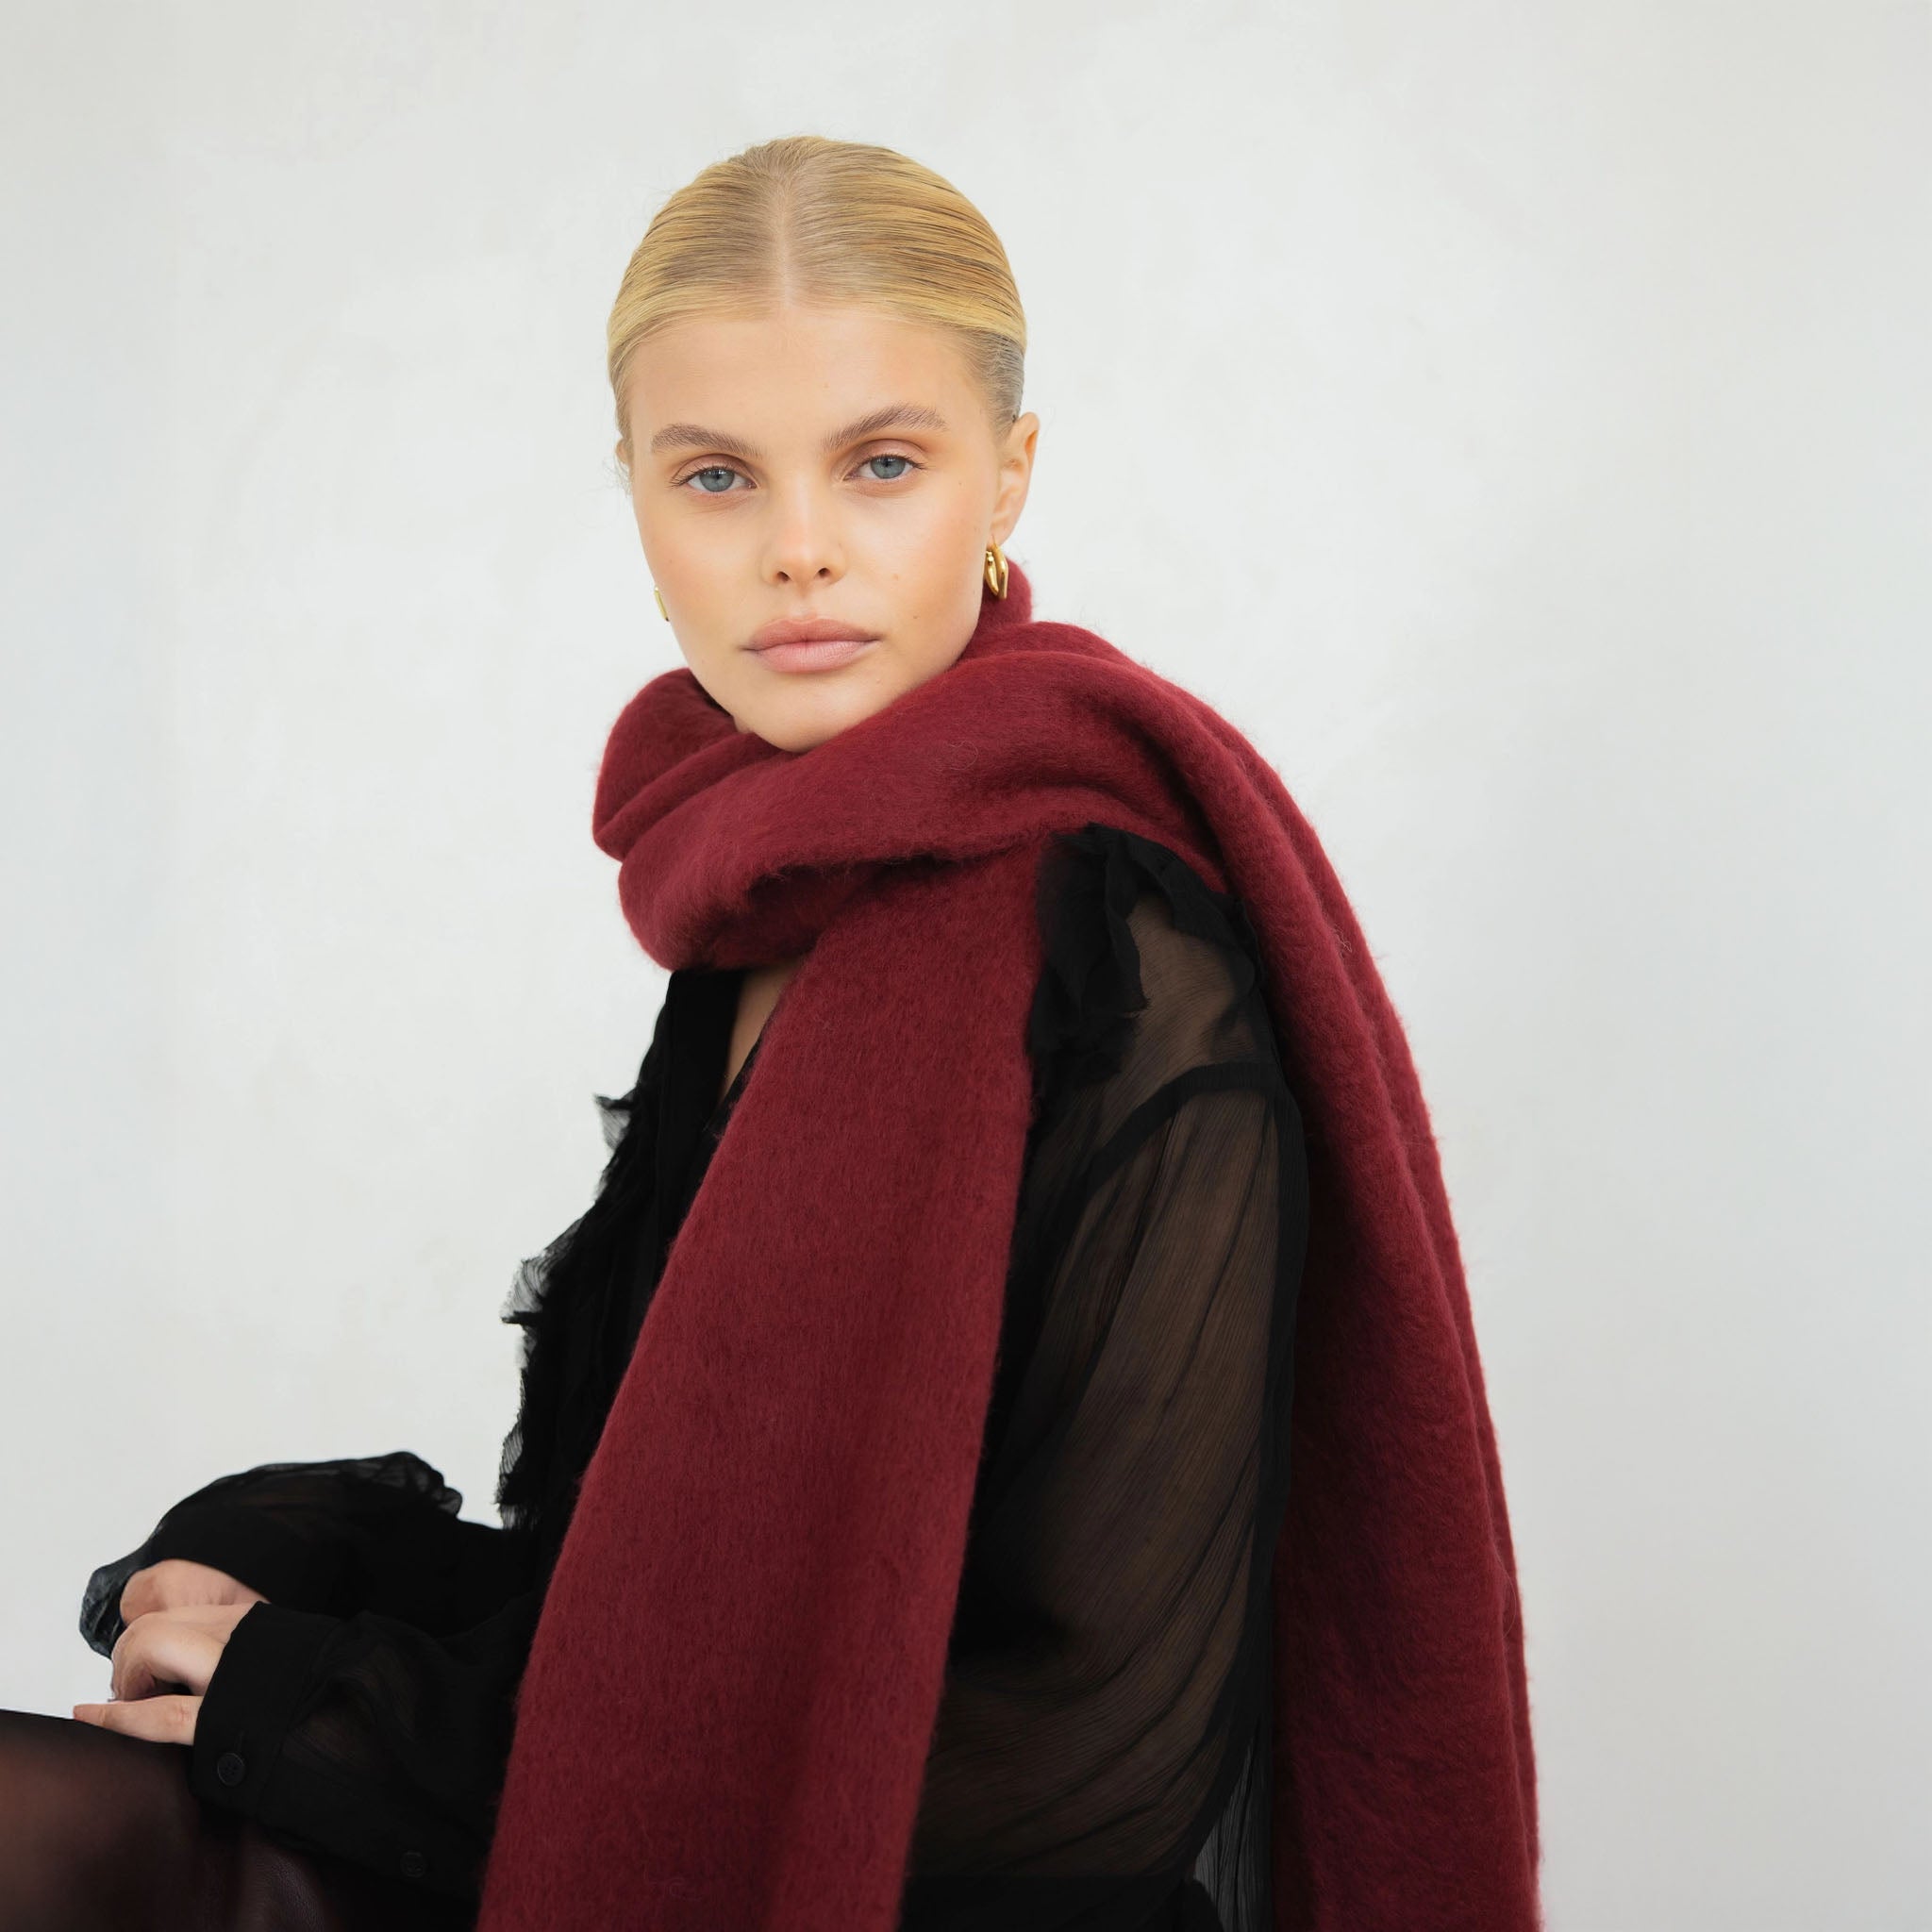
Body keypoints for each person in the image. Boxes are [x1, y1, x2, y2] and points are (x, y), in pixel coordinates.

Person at [17, 135, 1538, 1932]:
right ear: (635, 498)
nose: (800, 551)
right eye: (719, 476)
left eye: (882, 464)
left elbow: (1088, 1765)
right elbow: (686, 1608)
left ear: (1007, 479)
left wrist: (357, 1710)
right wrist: (331, 1581)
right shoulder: (759, 896)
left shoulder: (1118, 958)